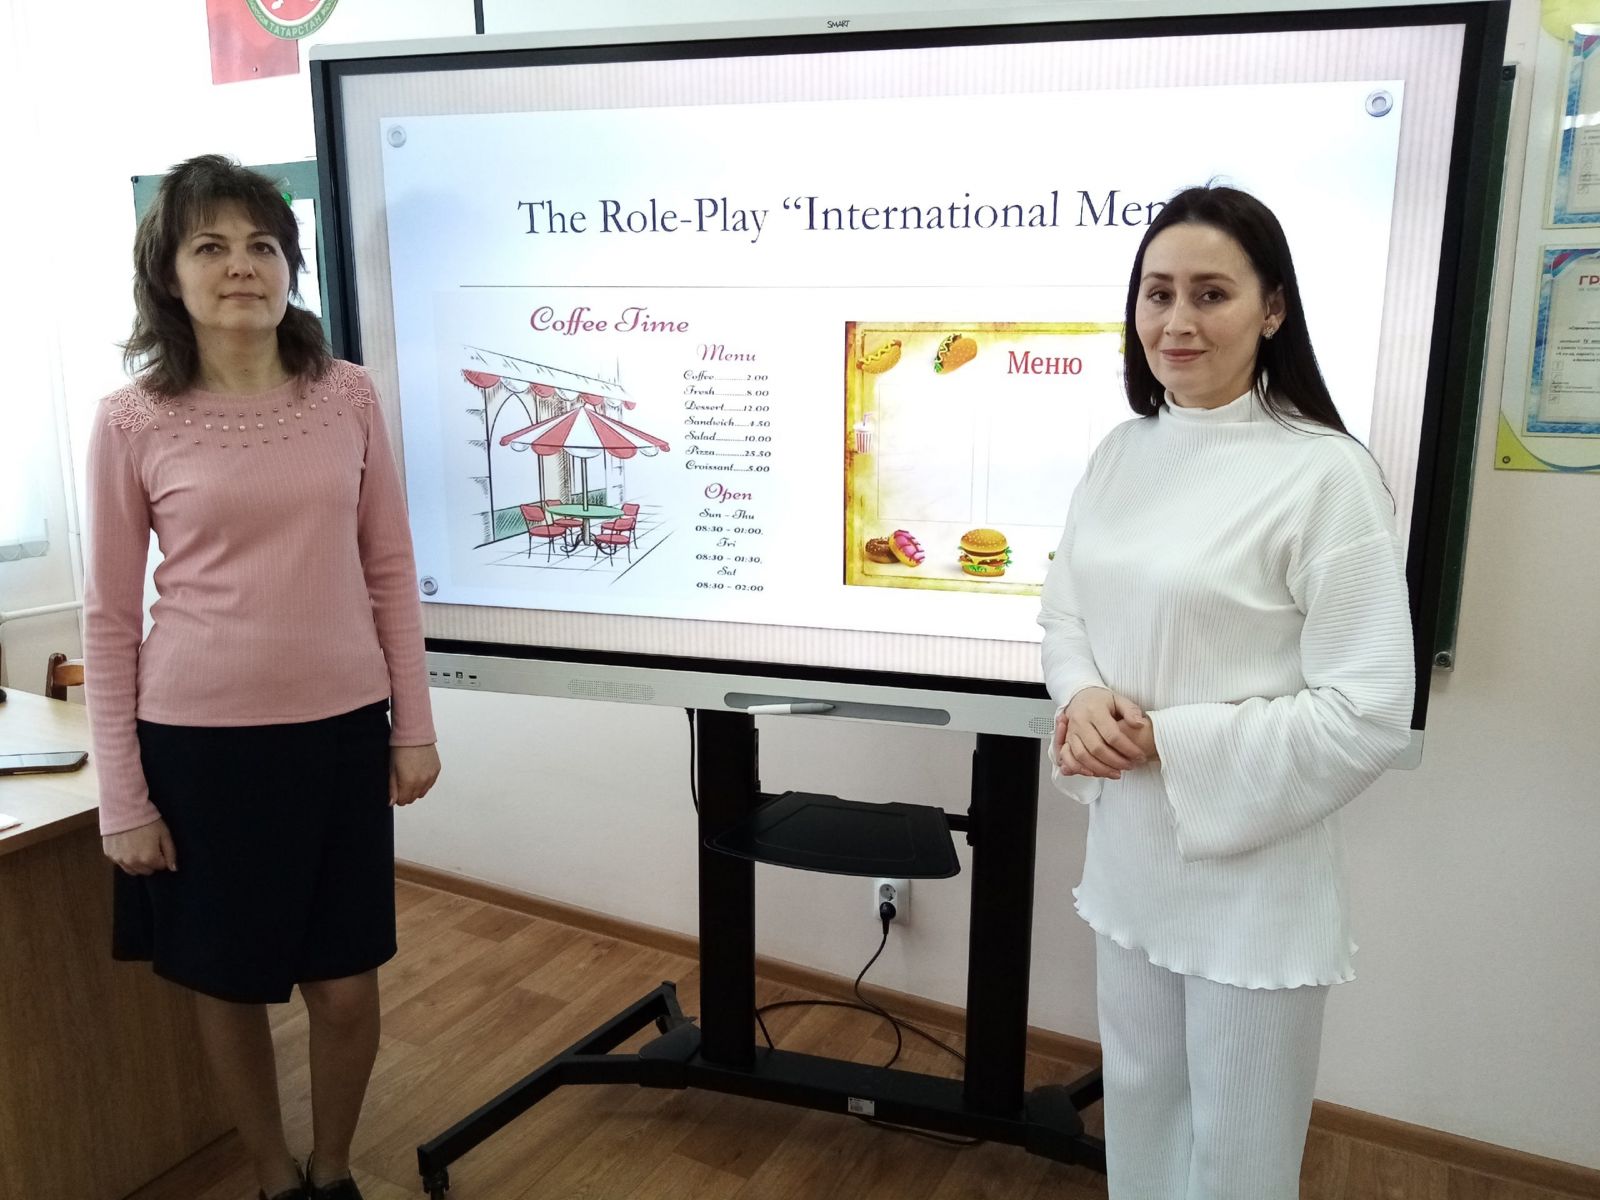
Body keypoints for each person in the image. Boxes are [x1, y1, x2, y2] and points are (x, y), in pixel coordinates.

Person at [1038, 185, 1414, 1199]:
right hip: (1130, 859)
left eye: (1211, 293)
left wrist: (1167, 739)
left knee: (1240, 1158)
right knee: (1141, 1123)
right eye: (1156, 292)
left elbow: (1370, 710)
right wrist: (1081, 697)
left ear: (1272, 309)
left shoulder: (1325, 476)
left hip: (1256, 881)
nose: (1177, 320)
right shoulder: (1120, 452)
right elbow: (1065, 612)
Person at [84, 154, 441, 1200]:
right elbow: (108, 618)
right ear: (169, 274)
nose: (241, 266)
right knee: (226, 982)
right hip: (198, 749)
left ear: (290, 266)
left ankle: (332, 1169)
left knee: (345, 987)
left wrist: (412, 724)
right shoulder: (132, 419)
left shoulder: (347, 395)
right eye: (210, 246)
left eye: (262, 246)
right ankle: (274, 1175)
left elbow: (389, 565)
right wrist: (123, 798)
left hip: (340, 734)